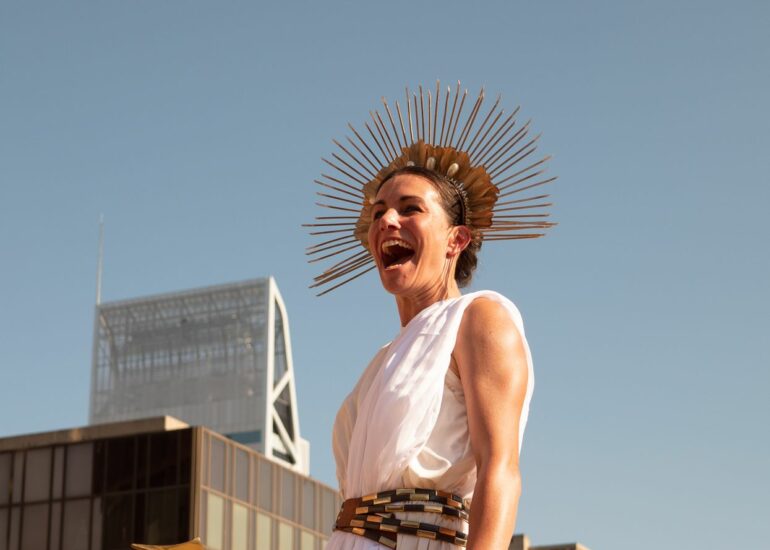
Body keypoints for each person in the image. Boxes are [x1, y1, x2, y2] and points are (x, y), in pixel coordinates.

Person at [306, 83, 555, 549]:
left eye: (410, 209)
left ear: (455, 240)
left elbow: (500, 469)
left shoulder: (479, 318)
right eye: (379, 212)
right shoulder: (382, 361)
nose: (387, 221)